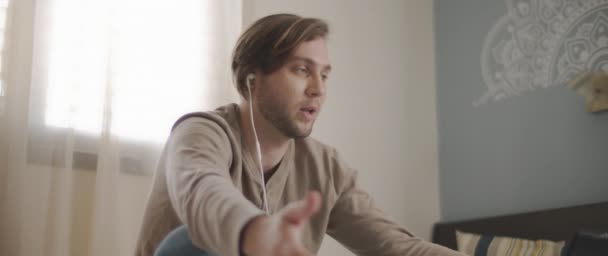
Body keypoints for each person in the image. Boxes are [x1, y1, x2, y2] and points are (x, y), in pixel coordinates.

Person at [134, 13, 463, 256]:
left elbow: (398, 247)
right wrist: (256, 232)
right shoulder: (201, 133)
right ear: (253, 77)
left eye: (324, 74)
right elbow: (202, 193)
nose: (318, 89)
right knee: (189, 242)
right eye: (301, 70)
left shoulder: (326, 168)